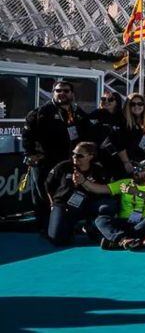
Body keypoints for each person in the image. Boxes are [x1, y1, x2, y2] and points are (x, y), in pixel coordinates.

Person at [23, 79, 92, 230]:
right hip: (45, 163)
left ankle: (61, 225)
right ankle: (44, 227)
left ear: (72, 94)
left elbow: (88, 134)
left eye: (66, 91)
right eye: (58, 91)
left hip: (68, 162)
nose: (62, 94)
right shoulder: (40, 112)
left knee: (64, 194)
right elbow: (27, 135)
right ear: (52, 93)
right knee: (43, 196)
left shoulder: (77, 112)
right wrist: (31, 154)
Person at [85, 159, 145, 250]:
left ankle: (117, 240)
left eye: (140, 170)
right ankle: (125, 240)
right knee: (101, 220)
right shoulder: (126, 183)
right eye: (136, 169)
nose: (136, 172)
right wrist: (83, 182)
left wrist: (136, 192)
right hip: (126, 221)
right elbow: (100, 189)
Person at [44, 142, 109, 246]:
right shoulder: (64, 166)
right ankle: (71, 227)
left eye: (80, 155)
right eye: (74, 154)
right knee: (57, 239)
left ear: (90, 156)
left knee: (106, 206)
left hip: (85, 205)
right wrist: (52, 203)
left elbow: (105, 189)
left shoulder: (98, 170)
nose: (75, 157)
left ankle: (90, 225)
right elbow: (48, 185)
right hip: (63, 205)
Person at [105, 93, 145, 178]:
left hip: (138, 162)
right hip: (123, 164)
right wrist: (126, 162)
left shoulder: (144, 121)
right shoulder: (121, 120)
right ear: (127, 106)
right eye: (133, 104)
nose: (136, 106)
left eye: (140, 104)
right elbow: (117, 142)